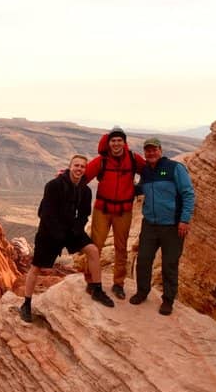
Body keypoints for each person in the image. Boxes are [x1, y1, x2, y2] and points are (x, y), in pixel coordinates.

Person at [20, 154, 114, 322]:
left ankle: (97, 290)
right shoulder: (54, 185)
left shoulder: (85, 190)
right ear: (70, 167)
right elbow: (46, 213)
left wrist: (77, 229)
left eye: (82, 167)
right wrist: (58, 235)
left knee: (92, 250)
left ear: (85, 170)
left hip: (71, 230)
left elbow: (84, 213)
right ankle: (26, 303)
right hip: (49, 231)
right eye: (76, 165)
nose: (79, 169)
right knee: (36, 267)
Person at [130, 137, 196, 315]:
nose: (151, 153)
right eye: (148, 150)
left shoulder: (175, 168)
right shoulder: (146, 171)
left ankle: (168, 300)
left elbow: (188, 194)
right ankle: (142, 292)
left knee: (169, 264)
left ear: (160, 150)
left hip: (173, 226)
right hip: (150, 224)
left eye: (154, 150)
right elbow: (141, 189)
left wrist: (184, 220)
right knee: (143, 260)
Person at [83, 125, 145, 300]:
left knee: (121, 248)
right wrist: (65, 176)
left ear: (124, 143)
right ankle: (91, 281)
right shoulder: (101, 160)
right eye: (113, 141)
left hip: (123, 211)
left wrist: (140, 187)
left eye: (119, 140)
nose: (116, 143)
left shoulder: (133, 158)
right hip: (102, 210)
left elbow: (149, 171)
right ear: (109, 143)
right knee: (95, 247)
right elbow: (84, 176)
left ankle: (118, 284)